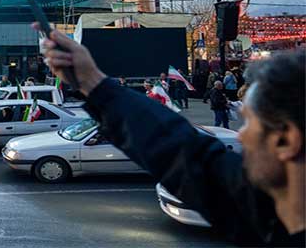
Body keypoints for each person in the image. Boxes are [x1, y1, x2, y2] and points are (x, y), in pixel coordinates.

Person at [40, 28, 304, 246]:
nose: (241, 136)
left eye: (250, 123)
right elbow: (180, 151)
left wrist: (94, 84)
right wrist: (91, 82)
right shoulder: (268, 211)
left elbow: (182, 154)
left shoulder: (263, 213)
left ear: (286, 140)